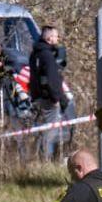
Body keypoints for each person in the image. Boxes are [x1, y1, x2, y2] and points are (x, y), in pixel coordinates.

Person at [28, 26, 68, 161]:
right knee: (50, 131)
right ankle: (45, 161)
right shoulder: (47, 55)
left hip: (37, 98)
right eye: (56, 36)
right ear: (49, 38)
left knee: (41, 131)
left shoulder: (35, 54)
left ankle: (38, 159)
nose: (58, 38)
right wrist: (56, 98)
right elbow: (52, 79)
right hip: (48, 100)